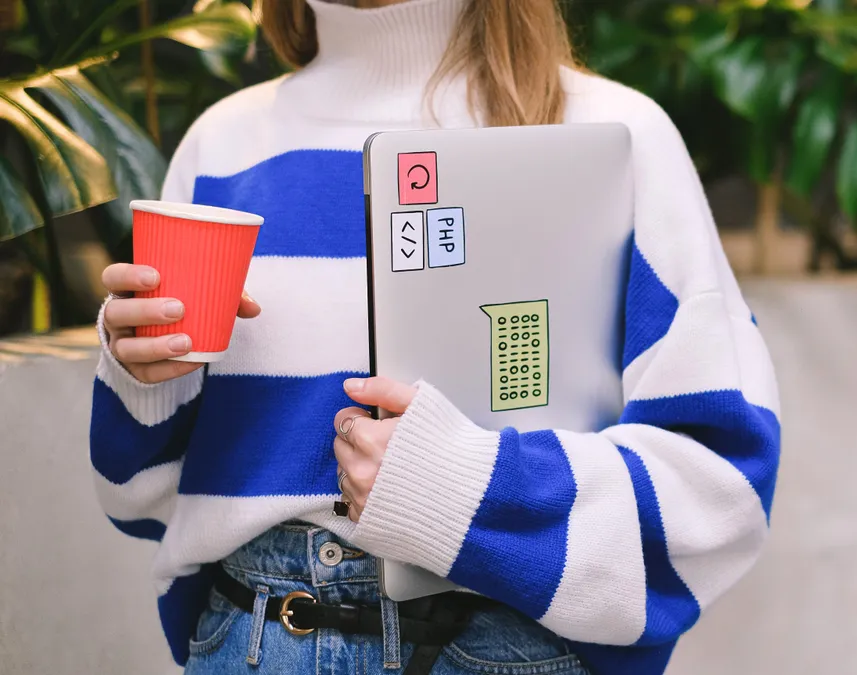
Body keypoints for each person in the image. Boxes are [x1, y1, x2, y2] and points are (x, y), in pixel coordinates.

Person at [90, 0, 781, 673]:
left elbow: (720, 485)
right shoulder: (222, 145)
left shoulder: (615, 134)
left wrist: (463, 493)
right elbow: (135, 494)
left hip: (508, 640)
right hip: (255, 635)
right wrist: (143, 377)